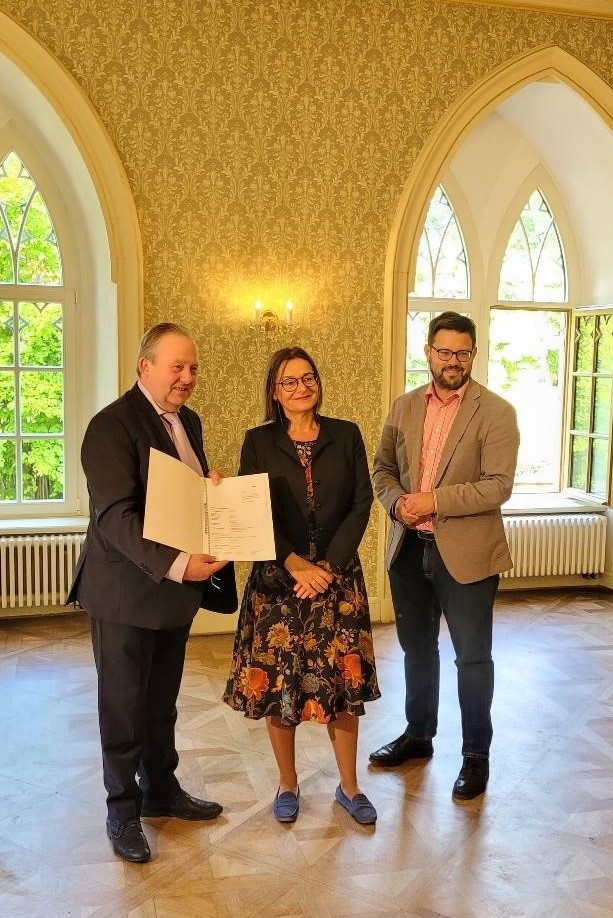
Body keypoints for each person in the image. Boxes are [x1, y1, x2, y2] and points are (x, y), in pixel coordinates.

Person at [68, 322, 228, 863]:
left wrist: (211, 491)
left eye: (193, 368)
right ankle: (122, 810)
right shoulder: (110, 426)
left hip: (173, 594)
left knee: (161, 702)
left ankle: (161, 789)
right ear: (146, 367)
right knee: (122, 707)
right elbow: (116, 516)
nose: (187, 377)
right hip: (124, 592)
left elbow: (180, 497)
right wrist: (179, 564)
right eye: (177, 366)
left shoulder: (189, 422)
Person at [223, 347, 380, 825]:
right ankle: (287, 783)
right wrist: (295, 564)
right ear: (275, 391)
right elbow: (252, 511)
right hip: (278, 581)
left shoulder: (346, 434)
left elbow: (361, 503)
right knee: (279, 685)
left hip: (337, 580)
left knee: (343, 684)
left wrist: (326, 568)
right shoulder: (257, 441)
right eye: (289, 381)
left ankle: (349, 786)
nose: (300, 387)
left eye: (307, 378)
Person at [369, 311, 519, 800]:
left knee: (472, 658)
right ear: (428, 352)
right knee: (416, 649)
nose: (453, 361)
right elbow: (382, 469)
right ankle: (418, 735)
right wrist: (397, 503)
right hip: (409, 550)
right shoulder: (405, 406)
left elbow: (498, 486)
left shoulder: (496, 411)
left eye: (462, 352)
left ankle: (476, 756)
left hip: (468, 556)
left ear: (473, 354)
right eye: (444, 351)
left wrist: (433, 501)